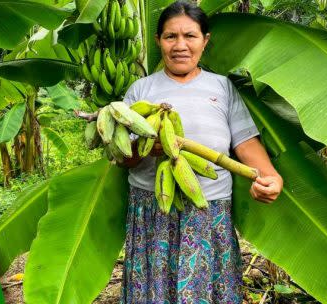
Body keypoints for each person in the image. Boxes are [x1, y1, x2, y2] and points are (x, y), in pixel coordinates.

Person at [119, 1, 283, 303]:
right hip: (154, 211)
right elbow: (122, 159)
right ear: (159, 42)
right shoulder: (140, 91)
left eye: (190, 36)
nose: (180, 45)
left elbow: (245, 143)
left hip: (208, 214)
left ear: (204, 41)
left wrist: (271, 177)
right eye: (171, 37)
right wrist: (145, 148)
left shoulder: (222, 88)